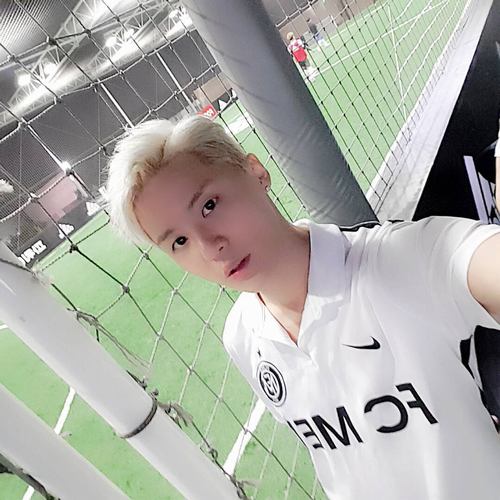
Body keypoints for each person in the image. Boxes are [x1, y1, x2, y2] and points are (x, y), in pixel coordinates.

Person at [106, 115, 500, 500]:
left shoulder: (400, 261)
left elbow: (470, 261)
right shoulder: (242, 335)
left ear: (256, 173)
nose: (210, 248)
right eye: (178, 242)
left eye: (209, 205)